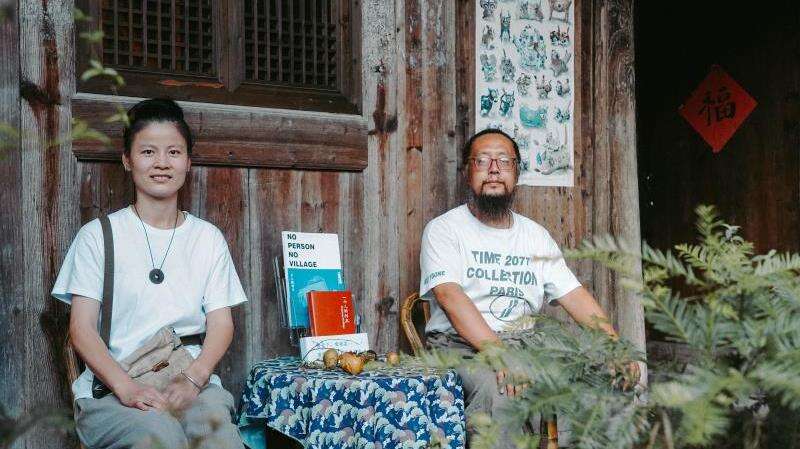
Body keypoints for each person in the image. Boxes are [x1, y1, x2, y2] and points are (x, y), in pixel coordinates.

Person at [420, 128, 636, 448]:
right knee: (502, 391)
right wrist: (501, 355)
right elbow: (449, 296)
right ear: (468, 172)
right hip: (461, 344)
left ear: (517, 173)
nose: (494, 169)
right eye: (483, 160)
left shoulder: (535, 235)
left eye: (504, 161)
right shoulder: (444, 229)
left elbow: (574, 295)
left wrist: (614, 347)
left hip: (528, 344)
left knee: (603, 378)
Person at [52, 98, 247, 449]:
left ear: (188, 162)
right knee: (161, 437)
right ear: (127, 160)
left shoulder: (207, 238)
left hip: (188, 380)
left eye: (174, 152)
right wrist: (127, 388)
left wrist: (194, 379)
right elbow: (81, 329)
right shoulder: (98, 236)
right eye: (147, 152)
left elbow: (221, 324)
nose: (161, 163)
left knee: (220, 441)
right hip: (114, 386)